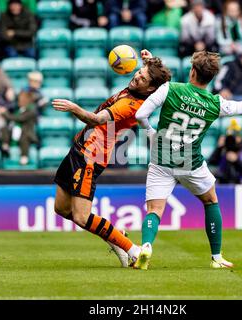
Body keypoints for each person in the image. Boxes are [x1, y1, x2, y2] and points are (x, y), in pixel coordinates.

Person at [134, 50, 242, 270]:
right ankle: (216, 257)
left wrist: (151, 133)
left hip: (161, 158)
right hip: (190, 163)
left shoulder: (170, 89)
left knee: (154, 210)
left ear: (192, 71)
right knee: (210, 200)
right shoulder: (215, 103)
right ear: (211, 78)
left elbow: (140, 115)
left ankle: (146, 246)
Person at [51, 50, 172, 268]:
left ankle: (131, 249)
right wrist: (149, 61)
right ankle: (117, 238)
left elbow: (97, 119)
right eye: (139, 72)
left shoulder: (132, 105)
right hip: (79, 148)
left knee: (81, 216)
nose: (136, 77)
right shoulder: (141, 88)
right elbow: (163, 84)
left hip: (91, 156)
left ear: (149, 89)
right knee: (60, 209)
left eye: (143, 78)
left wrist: (73, 108)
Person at [208, 119, 242, 184]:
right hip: (224, 184)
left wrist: (236, 160)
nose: (231, 140)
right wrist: (218, 148)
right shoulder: (224, 150)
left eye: (234, 137)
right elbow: (212, 162)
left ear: (239, 137)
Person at [0, 91, 38, 164]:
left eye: (23, 98)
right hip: (15, 132)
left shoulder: (31, 110)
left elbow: (19, 118)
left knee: (24, 134)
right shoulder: (18, 110)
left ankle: (24, 156)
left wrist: (5, 113)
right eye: (19, 98)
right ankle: (5, 146)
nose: (20, 100)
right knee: (4, 128)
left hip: (27, 134)